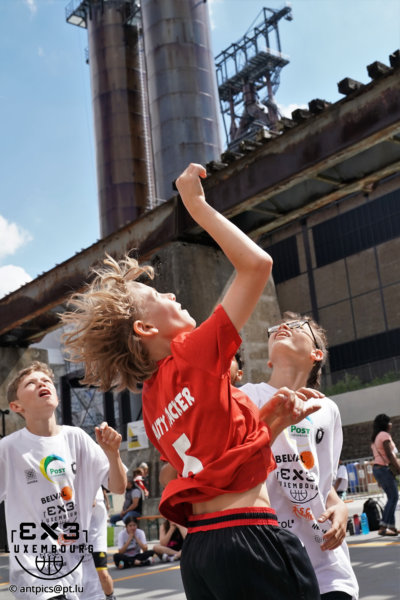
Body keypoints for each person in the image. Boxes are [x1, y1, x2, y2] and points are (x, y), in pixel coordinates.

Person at [61, 162, 324, 600]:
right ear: (146, 329)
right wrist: (196, 206)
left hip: (201, 551)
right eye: (157, 295)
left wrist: (272, 421)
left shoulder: (152, 402)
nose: (170, 294)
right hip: (249, 537)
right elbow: (257, 265)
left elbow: (216, 461)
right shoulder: (192, 353)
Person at [242, 313, 359, 600]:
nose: (282, 327)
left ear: (316, 354)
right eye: (276, 328)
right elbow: (235, 466)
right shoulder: (246, 397)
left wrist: (339, 507)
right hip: (270, 559)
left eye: (297, 327)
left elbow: (321, 480)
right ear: (269, 360)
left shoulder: (328, 410)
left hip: (327, 564)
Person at [1, 361, 126, 600]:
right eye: (31, 383)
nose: (41, 383)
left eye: (46, 380)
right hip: (36, 571)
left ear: (57, 396)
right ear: (16, 406)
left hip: (76, 567)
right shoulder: (8, 449)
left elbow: (118, 486)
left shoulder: (77, 438)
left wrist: (113, 453)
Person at [81, 487, 116, 600]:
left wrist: (105, 501)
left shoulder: (94, 486)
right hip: (77, 533)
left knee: (103, 574)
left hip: (96, 533)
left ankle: (110, 597)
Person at [371, 413, 400, 536]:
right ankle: (383, 527)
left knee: (391, 498)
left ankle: (391, 527)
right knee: (394, 497)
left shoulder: (375, 437)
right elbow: (389, 454)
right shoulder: (384, 435)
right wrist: (398, 468)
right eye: (389, 422)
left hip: (379, 469)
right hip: (383, 469)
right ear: (385, 424)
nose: (391, 424)